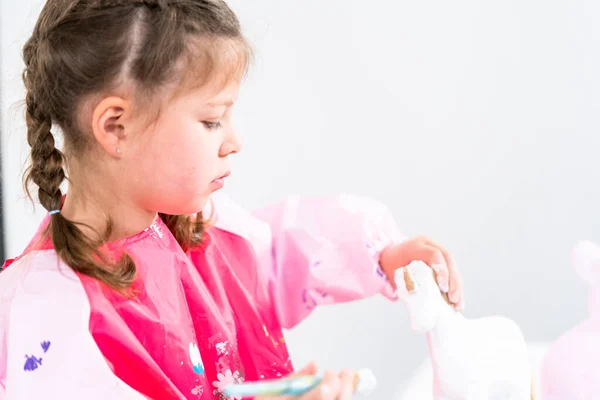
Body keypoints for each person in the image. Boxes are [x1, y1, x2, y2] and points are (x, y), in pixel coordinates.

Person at [0, 1, 463, 399]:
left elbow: (273, 260)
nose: (234, 141)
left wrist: (384, 254)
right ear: (116, 127)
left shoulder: (199, 228)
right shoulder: (52, 315)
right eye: (211, 120)